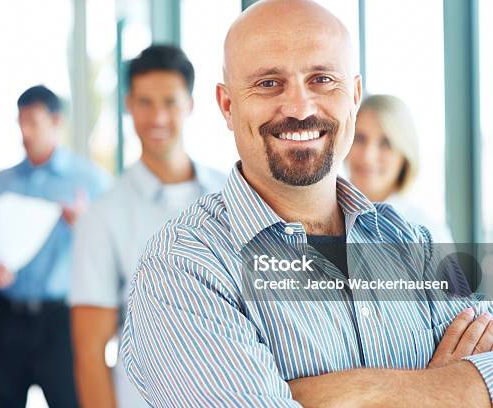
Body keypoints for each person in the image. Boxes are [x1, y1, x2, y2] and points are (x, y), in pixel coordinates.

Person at [119, 1, 493, 406]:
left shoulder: (410, 242)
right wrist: (453, 389)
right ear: (227, 106)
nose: (299, 108)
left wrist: (353, 393)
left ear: (353, 95)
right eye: (268, 83)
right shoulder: (183, 265)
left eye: (321, 79)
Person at [70, 45, 227, 408]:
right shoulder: (103, 216)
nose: (158, 117)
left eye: (170, 102)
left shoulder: (233, 196)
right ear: (129, 105)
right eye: (145, 102)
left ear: (189, 105)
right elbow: (90, 351)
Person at [0, 85, 109, 408]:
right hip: (5, 317)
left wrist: (84, 226)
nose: (25, 132)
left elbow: (111, 253)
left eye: (34, 122)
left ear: (56, 122)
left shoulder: (90, 181)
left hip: (61, 322)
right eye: (21, 122)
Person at [345, 94, 453, 242]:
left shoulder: (427, 232)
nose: (368, 156)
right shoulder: (322, 220)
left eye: (386, 143)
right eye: (360, 138)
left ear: (405, 155)